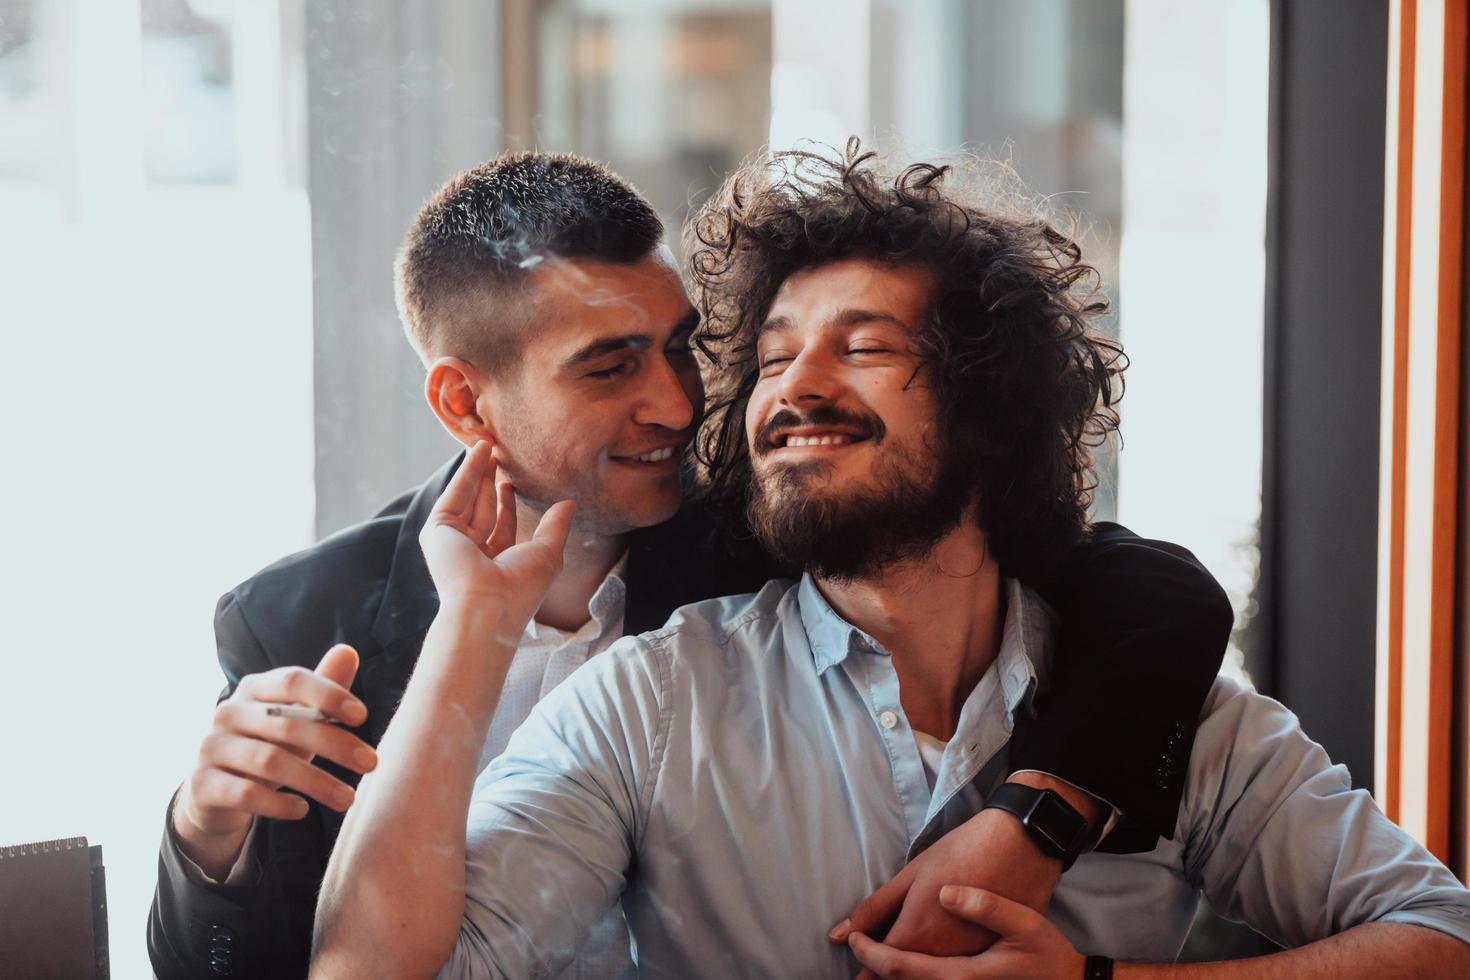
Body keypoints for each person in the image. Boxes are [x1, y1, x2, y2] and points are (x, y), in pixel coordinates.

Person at [309, 144, 1470, 980]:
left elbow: (1442, 933)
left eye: (862, 346)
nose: (798, 385)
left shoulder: (1177, 717)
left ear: (987, 408)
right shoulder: (649, 705)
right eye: (768, 361)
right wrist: (475, 617)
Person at [148, 151, 1232, 980]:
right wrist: (207, 837)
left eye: (682, 347)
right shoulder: (297, 616)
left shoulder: (775, 530)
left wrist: (1034, 821)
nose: (677, 404)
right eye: (611, 365)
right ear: (462, 401)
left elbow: (1157, 593)